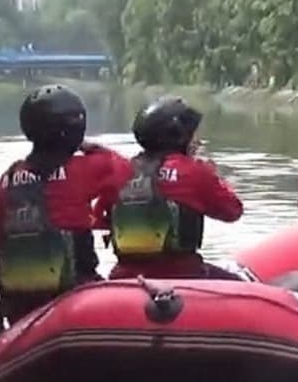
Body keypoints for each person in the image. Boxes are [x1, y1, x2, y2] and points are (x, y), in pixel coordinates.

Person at [0, 84, 129, 333]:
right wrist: (89, 146)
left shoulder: (7, 179)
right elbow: (127, 171)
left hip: (19, 308)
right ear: (75, 129)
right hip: (76, 298)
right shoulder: (85, 169)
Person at [98, 96, 244, 280]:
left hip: (124, 276)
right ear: (179, 136)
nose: (197, 141)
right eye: (193, 135)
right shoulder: (194, 170)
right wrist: (212, 173)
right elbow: (232, 211)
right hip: (184, 275)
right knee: (243, 284)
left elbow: (99, 220)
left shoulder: (119, 172)